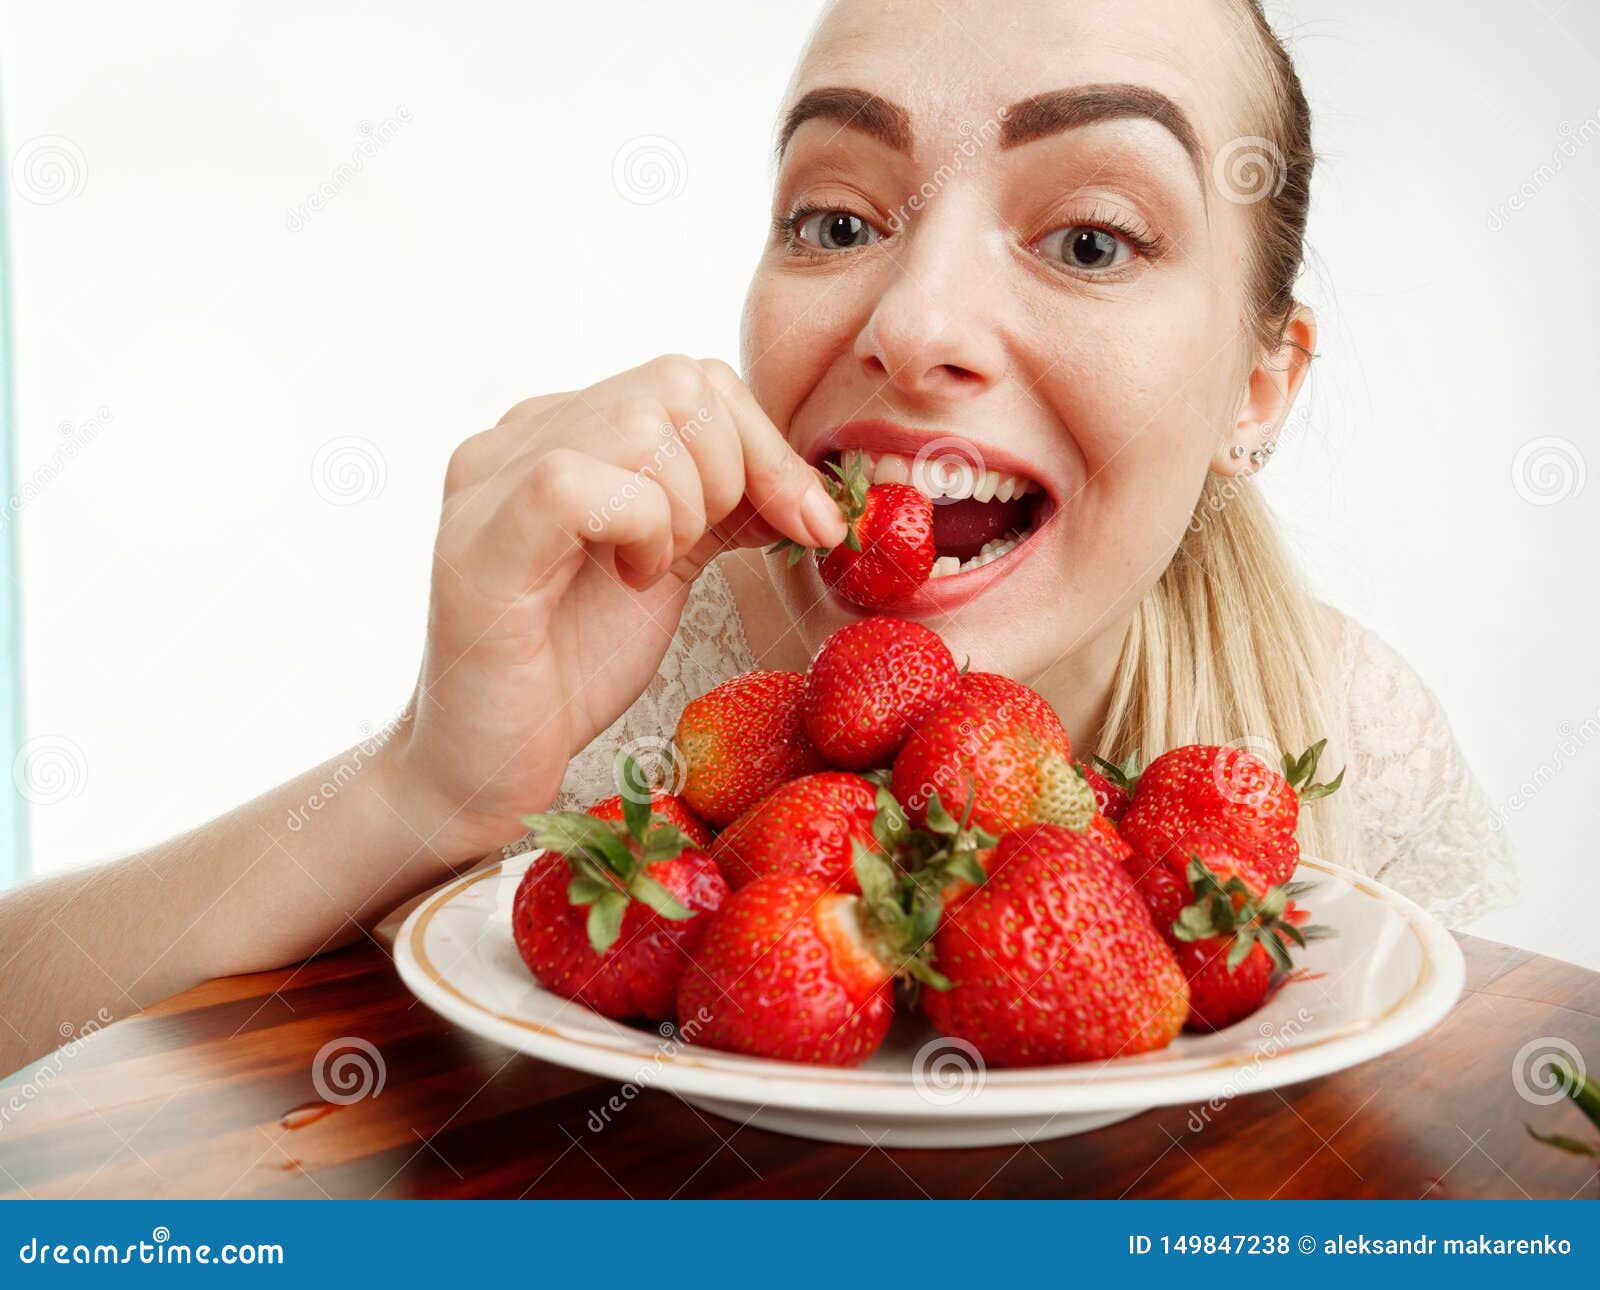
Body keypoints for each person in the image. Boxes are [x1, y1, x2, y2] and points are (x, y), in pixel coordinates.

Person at [0, 0, 1517, 1076]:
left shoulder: (1351, 739)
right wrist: (421, 784)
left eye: (1091, 238)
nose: (913, 323)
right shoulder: (661, 724)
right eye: (838, 220)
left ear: (1262, 385)